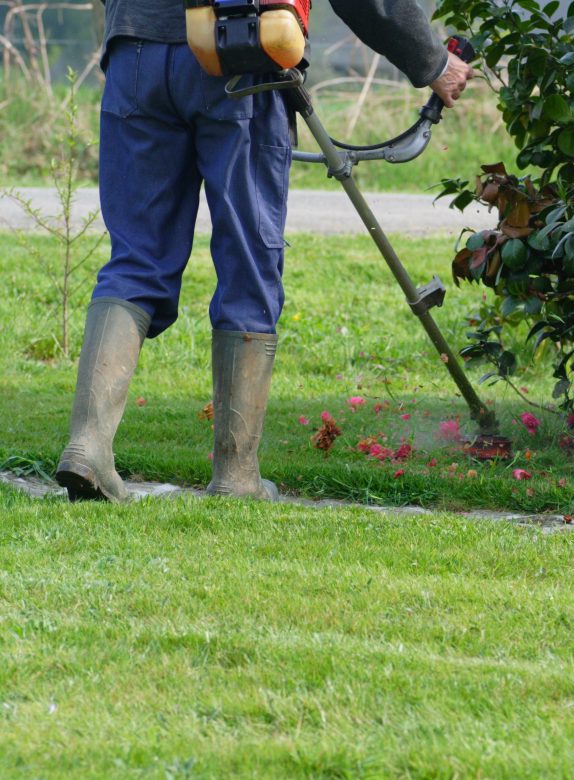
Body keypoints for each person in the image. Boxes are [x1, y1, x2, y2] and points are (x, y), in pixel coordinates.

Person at [55, 0, 472, 502]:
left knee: (136, 259)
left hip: (136, 50)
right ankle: (236, 477)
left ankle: (88, 447)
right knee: (248, 262)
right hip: (241, 51)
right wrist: (433, 60)